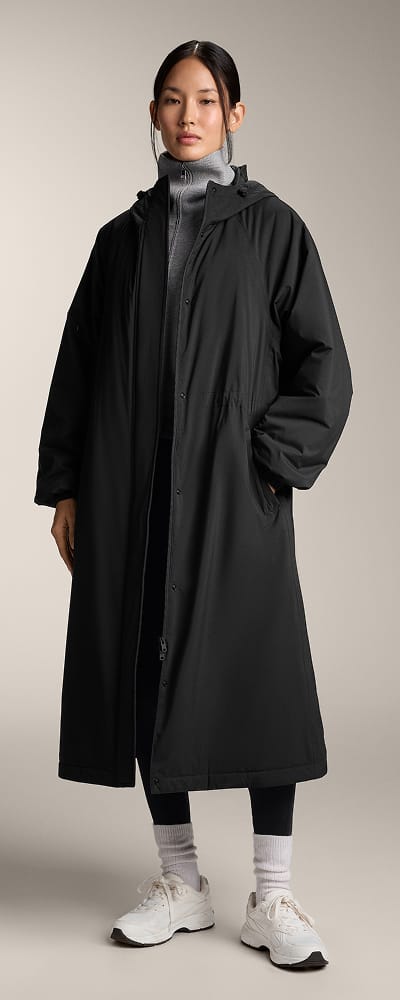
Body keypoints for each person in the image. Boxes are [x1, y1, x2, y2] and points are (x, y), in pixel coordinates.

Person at [34, 40, 353, 970]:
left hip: (231, 493)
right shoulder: (120, 241)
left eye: (206, 100)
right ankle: (181, 880)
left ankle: (273, 894)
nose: (188, 116)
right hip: (130, 491)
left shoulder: (274, 229)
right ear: (153, 112)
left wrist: (272, 462)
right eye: (172, 100)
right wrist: (66, 486)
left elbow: (323, 362)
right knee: (146, 667)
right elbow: (78, 365)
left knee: (260, 674)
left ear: (235, 115)